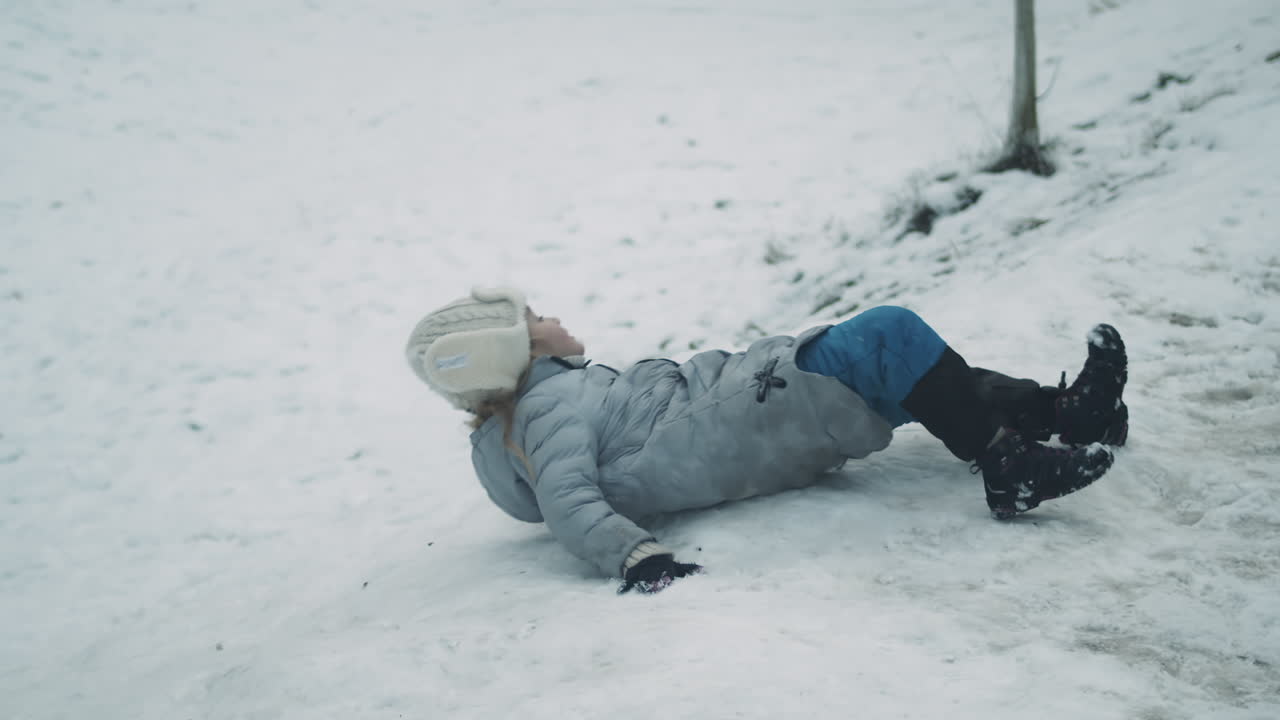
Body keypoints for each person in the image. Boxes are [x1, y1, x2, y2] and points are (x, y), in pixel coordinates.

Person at [405, 287, 1129, 594]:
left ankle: (1065, 415)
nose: (554, 317)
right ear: (515, 353)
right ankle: (1007, 469)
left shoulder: (551, 399)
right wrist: (635, 557)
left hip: (743, 415)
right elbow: (567, 498)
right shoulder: (545, 409)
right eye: (537, 319)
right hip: (741, 420)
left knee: (910, 372)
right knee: (890, 334)